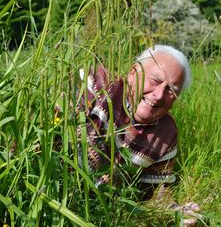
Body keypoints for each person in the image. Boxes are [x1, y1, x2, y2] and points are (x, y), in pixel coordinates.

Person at [77, 44, 201, 225]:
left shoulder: (166, 133)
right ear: (133, 72)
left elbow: (155, 191)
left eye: (171, 90)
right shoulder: (96, 83)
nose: (159, 95)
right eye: (156, 81)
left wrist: (178, 212)